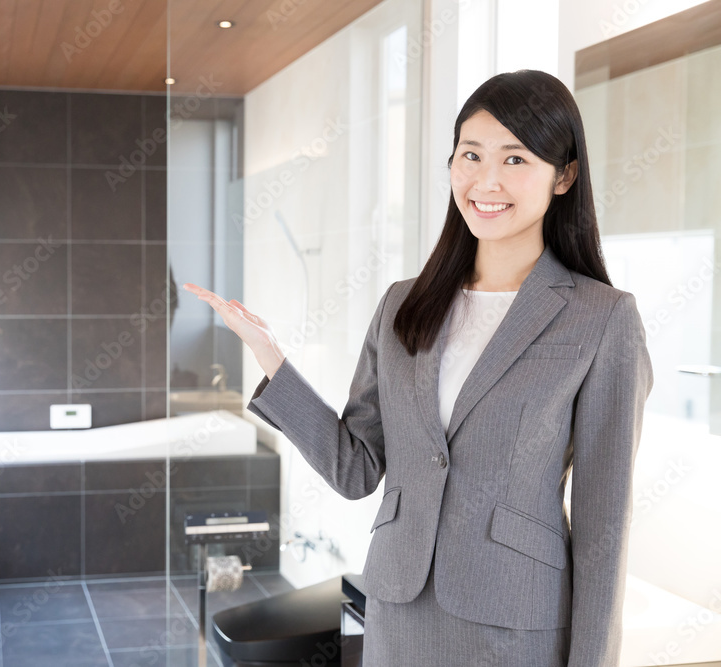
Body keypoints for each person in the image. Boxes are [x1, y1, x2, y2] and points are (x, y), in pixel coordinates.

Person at [183, 69, 653, 666]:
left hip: (516, 624)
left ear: (564, 175)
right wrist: (270, 355)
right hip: (399, 611)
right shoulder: (405, 304)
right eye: (471, 154)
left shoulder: (601, 318)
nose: (486, 179)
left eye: (515, 159)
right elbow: (356, 468)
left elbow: (603, 528)